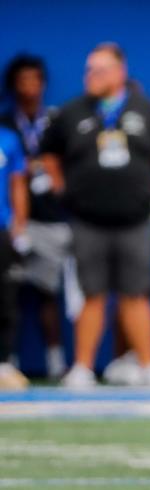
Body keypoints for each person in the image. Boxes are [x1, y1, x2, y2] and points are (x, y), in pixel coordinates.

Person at [40, 43, 150, 388]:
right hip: (89, 218)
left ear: (120, 73)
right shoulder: (72, 112)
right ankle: (83, 368)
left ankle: (149, 365)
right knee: (92, 294)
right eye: (88, 70)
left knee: (137, 293)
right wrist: (63, 189)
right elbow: (48, 154)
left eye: (99, 70)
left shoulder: (146, 110)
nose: (91, 76)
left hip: (135, 218)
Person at [1, 54, 70, 380]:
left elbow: (66, 161)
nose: (29, 88)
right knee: (8, 293)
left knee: (48, 292)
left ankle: (55, 360)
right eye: (22, 81)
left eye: (35, 80)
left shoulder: (55, 121)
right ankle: (8, 360)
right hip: (12, 220)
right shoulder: (6, 124)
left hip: (50, 218)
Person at [0, 121, 28, 389]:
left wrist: (19, 226)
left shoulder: (7, 138)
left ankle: (3, 361)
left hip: (1, 229)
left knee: (5, 298)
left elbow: (17, 183)